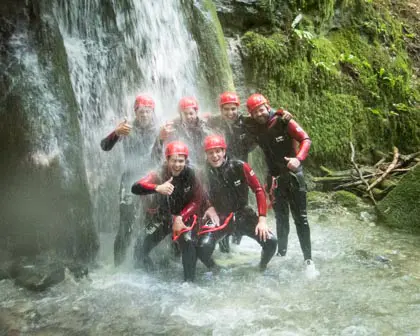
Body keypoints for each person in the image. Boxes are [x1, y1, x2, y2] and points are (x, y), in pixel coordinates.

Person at [245, 93, 315, 269]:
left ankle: (308, 259)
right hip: (274, 179)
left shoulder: (283, 121)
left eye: (261, 109)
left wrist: (298, 158)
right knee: (281, 219)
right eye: (255, 112)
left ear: (267, 107)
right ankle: (282, 253)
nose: (259, 114)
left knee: (301, 219)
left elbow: (305, 139)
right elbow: (234, 121)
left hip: (293, 176)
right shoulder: (254, 127)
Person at [196, 135, 277, 271]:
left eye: (218, 151)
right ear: (206, 155)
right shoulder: (203, 171)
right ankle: (215, 269)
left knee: (271, 242)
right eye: (211, 152)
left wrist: (262, 219)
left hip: (243, 214)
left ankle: (262, 266)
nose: (215, 156)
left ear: (224, 151)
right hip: (219, 216)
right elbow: (199, 193)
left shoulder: (240, 166)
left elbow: (258, 190)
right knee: (203, 248)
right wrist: (208, 207)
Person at [131, 141, 203, 282]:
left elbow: (197, 200)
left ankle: (189, 284)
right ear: (167, 160)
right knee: (139, 247)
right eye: (174, 161)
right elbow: (135, 188)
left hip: (184, 217)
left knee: (188, 245)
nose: (177, 165)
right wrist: (157, 188)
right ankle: (151, 278)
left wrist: (180, 217)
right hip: (164, 217)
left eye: (181, 161)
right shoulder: (158, 173)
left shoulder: (192, 174)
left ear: (186, 161)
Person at [100, 94, 158, 266]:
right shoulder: (127, 128)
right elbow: (104, 146)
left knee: (153, 222)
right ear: (135, 112)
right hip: (130, 180)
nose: (144, 115)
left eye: (148, 111)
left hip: (152, 179)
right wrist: (115, 133)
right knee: (125, 225)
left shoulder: (159, 129)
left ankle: (146, 259)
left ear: (152, 112)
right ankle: (118, 266)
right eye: (141, 111)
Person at [152, 96, 212, 166]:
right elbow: (156, 157)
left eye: (191, 113)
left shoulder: (204, 124)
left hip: (202, 160)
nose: (189, 116)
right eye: (185, 114)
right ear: (180, 115)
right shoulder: (173, 127)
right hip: (183, 164)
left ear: (196, 112)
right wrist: (160, 138)